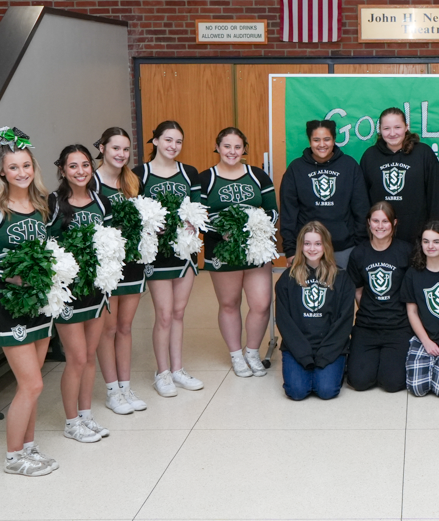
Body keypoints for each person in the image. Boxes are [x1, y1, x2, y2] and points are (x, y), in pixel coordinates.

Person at [0, 128, 56, 475]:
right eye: (13, 167)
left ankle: (29, 448)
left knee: (33, 386)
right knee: (31, 383)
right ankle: (13, 457)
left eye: (26, 165)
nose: (21, 172)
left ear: (33, 167)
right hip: (9, 306)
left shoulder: (42, 205)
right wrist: (7, 275)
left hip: (41, 304)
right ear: (2, 172)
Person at [132, 120, 204, 397]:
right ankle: (161, 373)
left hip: (183, 251)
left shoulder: (189, 172)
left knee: (178, 313)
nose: (173, 146)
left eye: (178, 141)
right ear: (155, 142)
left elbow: (198, 208)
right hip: (156, 254)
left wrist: (193, 223)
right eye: (168, 140)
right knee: (163, 314)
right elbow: (135, 213)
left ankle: (177, 369)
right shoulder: (141, 173)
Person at [201, 127, 277, 378]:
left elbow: (272, 212)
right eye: (227, 146)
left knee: (261, 303)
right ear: (218, 147)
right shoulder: (206, 178)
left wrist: (255, 229)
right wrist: (222, 231)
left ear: (244, 149)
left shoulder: (258, 175)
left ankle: (252, 352)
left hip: (255, 250)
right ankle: (236, 355)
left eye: (237, 147)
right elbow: (198, 217)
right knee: (229, 303)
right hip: (222, 249)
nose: (232, 152)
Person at [48, 144, 112, 444]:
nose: (81, 171)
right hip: (68, 293)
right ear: (62, 170)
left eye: (85, 164)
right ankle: (71, 421)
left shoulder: (100, 201)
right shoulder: (52, 203)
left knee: (89, 357)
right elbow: (46, 246)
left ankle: (86, 415)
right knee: (75, 358)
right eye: (73, 166)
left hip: (96, 289)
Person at [92, 127, 147, 416]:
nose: (121, 154)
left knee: (125, 327)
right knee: (108, 329)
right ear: (102, 148)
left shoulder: (132, 181)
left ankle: (125, 387)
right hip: (106, 266)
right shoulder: (90, 180)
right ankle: (112, 390)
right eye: (115, 148)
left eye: (126, 150)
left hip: (133, 262)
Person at [275, 222, 354, 400]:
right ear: (300, 246)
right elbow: (284, 321)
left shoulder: (341, 278)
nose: (312, 248)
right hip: (298, 346)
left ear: (326, 245)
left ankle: (338, 367)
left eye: (318, 243)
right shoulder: (287, 279)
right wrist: (303, 355)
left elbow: (344, 321)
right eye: (307, 243)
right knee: (296, 392)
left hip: (330, 346)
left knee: (326, 391)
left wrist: (325, 355)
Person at [280, 119, 368, 269]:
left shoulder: (349, 166)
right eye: (316, 140)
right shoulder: (296, 169)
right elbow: (288, 213)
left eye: (327, 139)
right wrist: (290, 249)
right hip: (308, 250)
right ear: (309, 141)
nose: (322, 144)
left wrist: (359, 246)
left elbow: (361, 208)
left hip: (344, 249)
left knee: (345, 292)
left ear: (334, 140)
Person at [346, 202, 413, 392]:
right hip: (367, 326)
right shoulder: (359, 253)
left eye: (385, 221)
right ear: (368, 223)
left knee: (392, 383)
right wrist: (372, 311)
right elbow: (358, 290)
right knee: (359, 382)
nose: (380, 226)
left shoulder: (405, 251)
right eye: (375, 221)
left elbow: (411, 293)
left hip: (398, 327)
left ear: (394, 223)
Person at [360, 107, 439, 243]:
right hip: (381, 238)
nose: (392, 133)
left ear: (406, 127)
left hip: (418, 237)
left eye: (397, 127)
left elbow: (436, 198)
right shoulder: (370, 156)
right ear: (380, 130)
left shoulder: (423, 153)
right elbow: (362, 200)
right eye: (387, 128)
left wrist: (435, 232)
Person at [402, 221, 439, 398]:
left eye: (436, 241)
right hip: (424, 338)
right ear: (420, 243)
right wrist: (426, 341)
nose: (430, 246)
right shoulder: (412, 274)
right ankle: (433, 361)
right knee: (417, 389)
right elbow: (412, 312)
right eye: (426, 241)